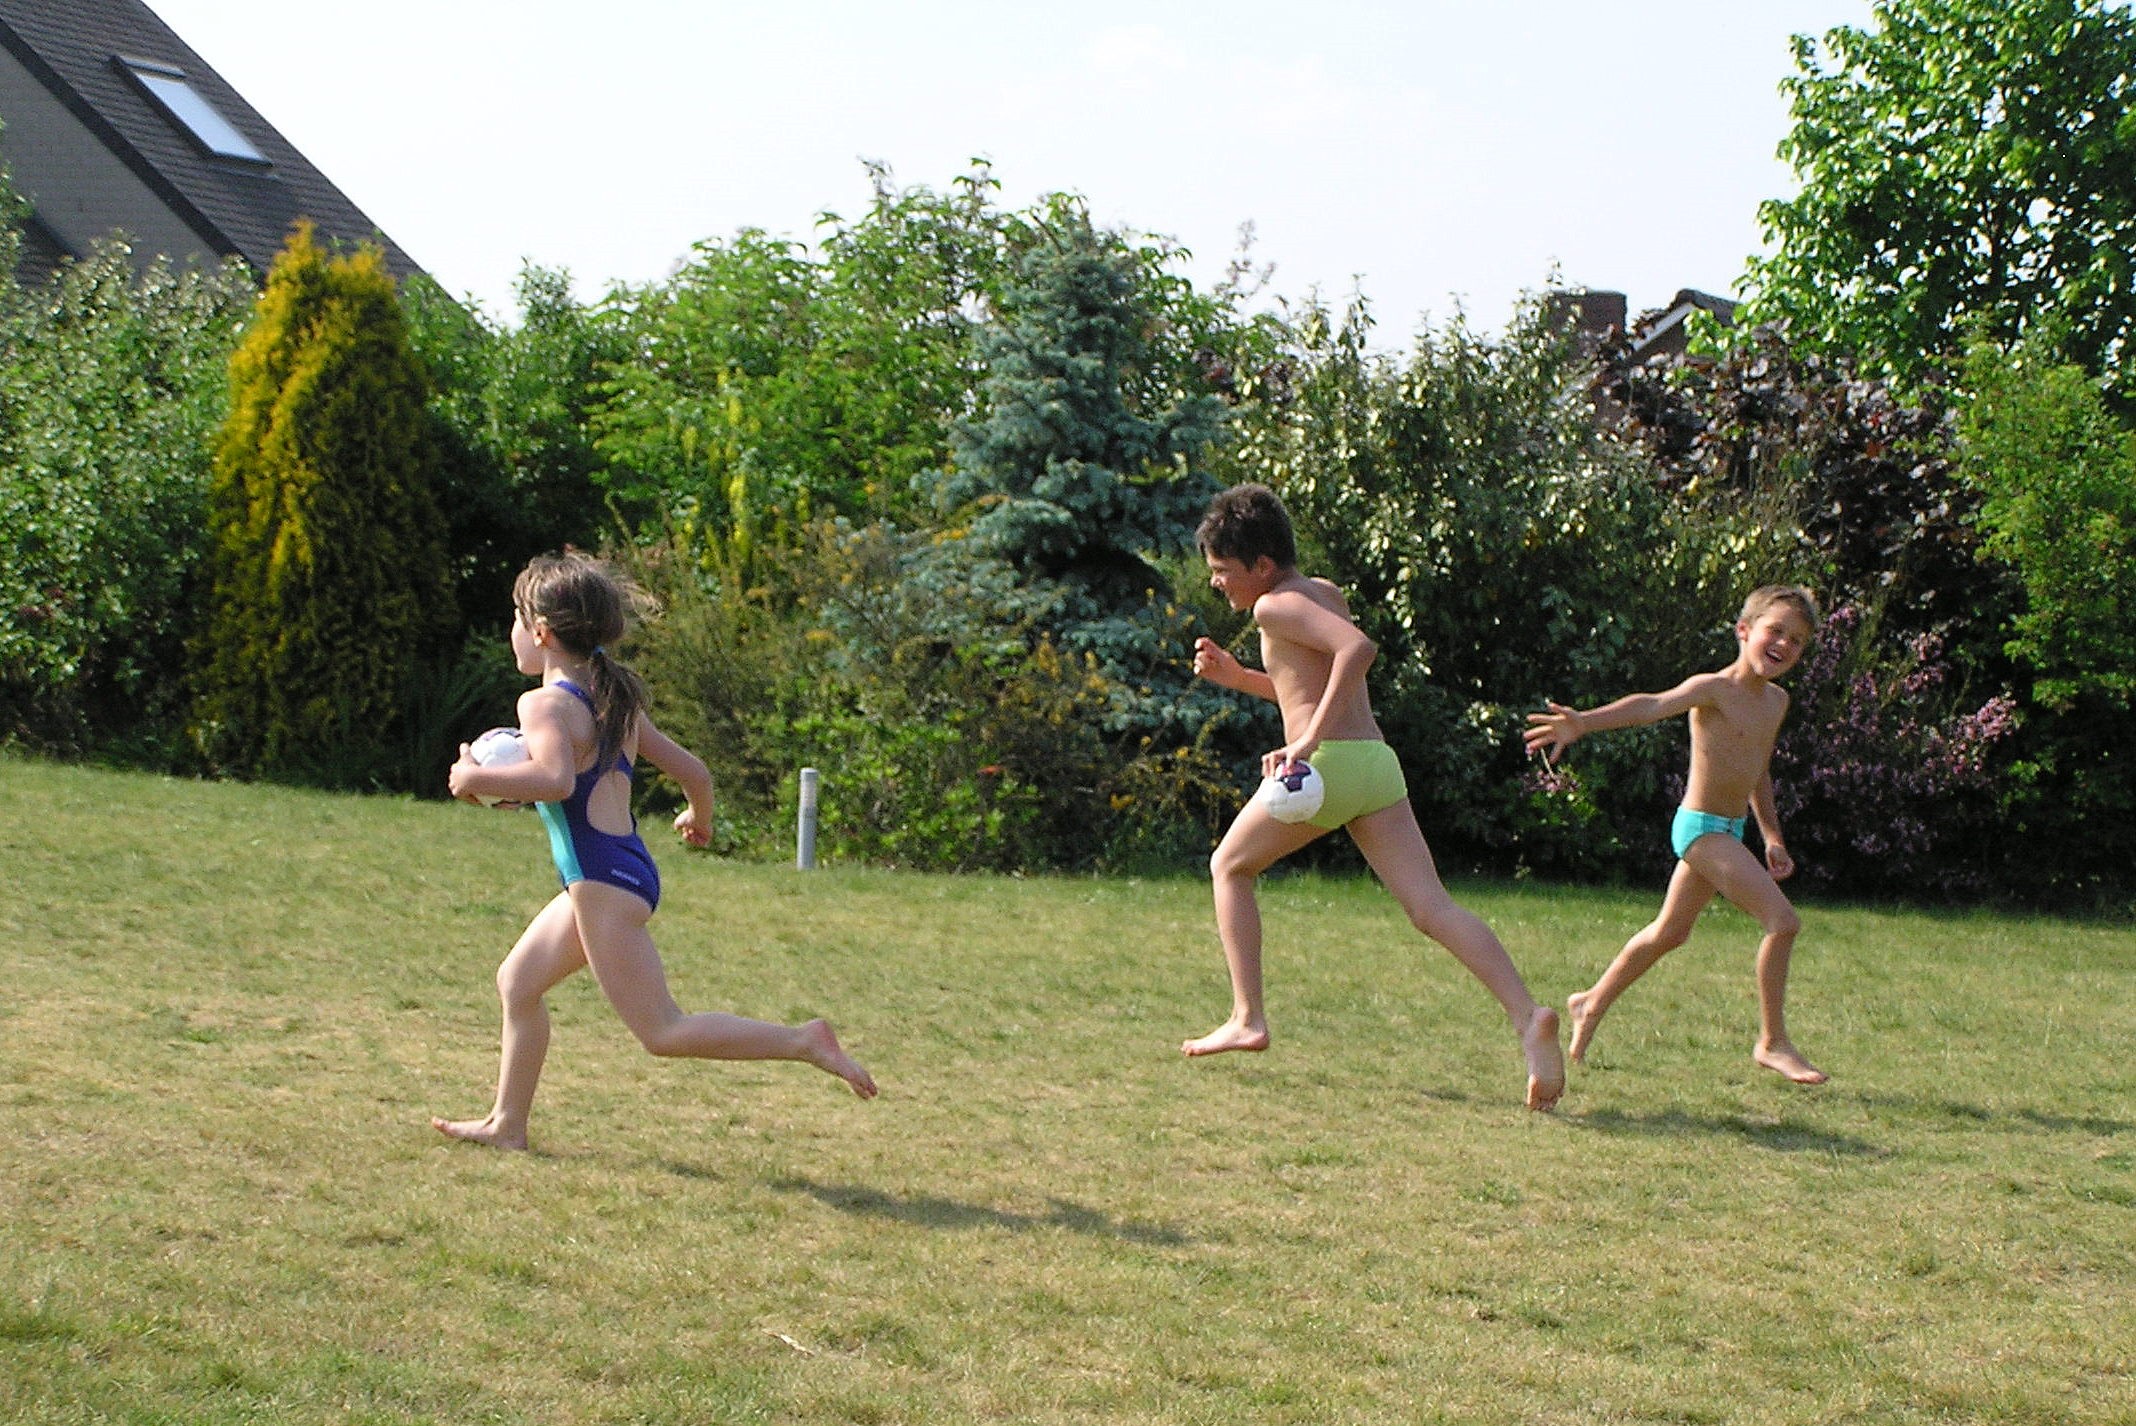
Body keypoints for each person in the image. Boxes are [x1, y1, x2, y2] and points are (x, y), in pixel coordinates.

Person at [434, 552, 875, 1151]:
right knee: (518, 982)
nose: (511, 630)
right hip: (619, 872)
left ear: (540, 632)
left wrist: (474, 777)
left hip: (603, 883)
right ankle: (507, 1125)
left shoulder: (544, 704)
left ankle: (803, 1041)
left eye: (516, 617)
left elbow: (555, 780)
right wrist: (699, 817)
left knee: (663, 1031)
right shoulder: (609, 697)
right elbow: (695, 773)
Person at [1183, 484, 1565, 1112]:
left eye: (1223, 570)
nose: (1216, 582)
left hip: (1326, 767)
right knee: (1431, 906)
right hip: (1375, 766)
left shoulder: (1273, 606)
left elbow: (1357, 651)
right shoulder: (1323, 592)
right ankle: (1528, 1016)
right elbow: (1306, 685)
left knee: (1229, 866)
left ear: (1263, 565)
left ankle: (1247, 1017)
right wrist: (1239, 677)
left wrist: (1306, 742)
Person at [1522, 584, 1827, 1084]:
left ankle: (1589, 1002)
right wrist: (1584, 723)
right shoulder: (1714, 689)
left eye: (1796, 640)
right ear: (1744, 630)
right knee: (1783, 922)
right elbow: (1650, 705)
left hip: (1731, 830)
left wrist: (1772, 835)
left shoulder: (1777, 701)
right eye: (1775, 631)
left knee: (1669, 933)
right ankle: (1772, 1042)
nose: (1784, 645)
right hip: (1700, 830)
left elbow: (1759, 770)